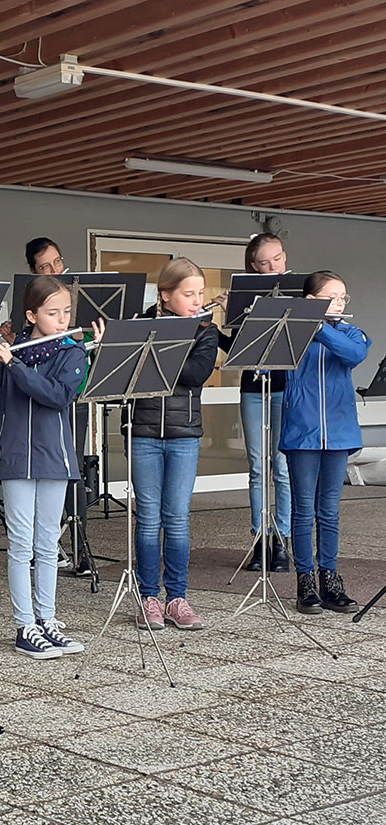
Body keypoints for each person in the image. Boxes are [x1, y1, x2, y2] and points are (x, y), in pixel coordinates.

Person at [0, 277, 95, 658]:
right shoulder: (8, 352)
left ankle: (48, 619)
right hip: (14, 457)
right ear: (31, 314)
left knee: (48, 544)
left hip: (54, 457)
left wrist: (14, 364)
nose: (62, 320)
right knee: (20, 545)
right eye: (52, 313)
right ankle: (24, 626)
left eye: (66, 312)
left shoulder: (71, 352)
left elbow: (56, 397)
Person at [129, 258, 219, 632]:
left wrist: (162, 348)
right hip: (144, 432)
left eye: (200, 293)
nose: (198, 301)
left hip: (184, 434)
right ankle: (149, 598)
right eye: (188, 294)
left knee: (177, 519)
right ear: (165, 295)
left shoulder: (205, 331)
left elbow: (196, 375)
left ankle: (177, 598)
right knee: (148, 519)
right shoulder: (138, 326)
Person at [282, 270, 369, 614]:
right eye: (331, 297)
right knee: (303, 510)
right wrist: (307, 327)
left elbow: (354, 355)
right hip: (302, 431)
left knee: (329, 511)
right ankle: (305, 581)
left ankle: (330, 578)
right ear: (311, 302)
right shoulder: (293, 335)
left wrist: (322, 328)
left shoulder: (349, 332)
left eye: (343, 298)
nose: (339, 303)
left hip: (339, 433)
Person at [216, 233, 292, 571]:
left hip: (285, 386)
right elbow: (235, 350)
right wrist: (216, 320)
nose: (273, 266)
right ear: (253, 266)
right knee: (258, 466)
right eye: (265, 262)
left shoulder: (297, 294)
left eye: (278, 259)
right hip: (253, 386)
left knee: (282, 466)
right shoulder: (245, 297)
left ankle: (283, 542)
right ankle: (261, 540)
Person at [25, 235, 90, 575]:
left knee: (69, 468)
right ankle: (45, 546)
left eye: (57, 262)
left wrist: (89, 338)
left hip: (70, 391)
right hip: (35, 400)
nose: (54, 270)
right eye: (44, 267)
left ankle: (79, 546)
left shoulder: (80, 298)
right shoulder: (35, 307)